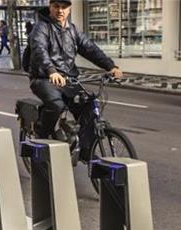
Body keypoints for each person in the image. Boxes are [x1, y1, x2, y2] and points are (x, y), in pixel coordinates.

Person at [27, 0, 123, 160]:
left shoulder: (72, 30)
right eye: (56, 6)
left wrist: (110, 66)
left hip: (69, 79)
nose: (60, 10)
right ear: (50, 7)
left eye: (64, 7)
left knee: (89, 106)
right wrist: (51, 71)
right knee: (57, 105)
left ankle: (85, 151)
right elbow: (39, 50)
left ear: (69, 9)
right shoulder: (41, 28)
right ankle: (42, 134)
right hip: (43, 78)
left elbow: (90, 48)